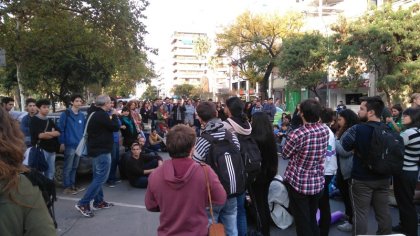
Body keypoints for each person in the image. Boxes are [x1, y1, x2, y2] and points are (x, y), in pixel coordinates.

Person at [145, 125, 227, 236]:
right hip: (198, 232)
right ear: (192, 148)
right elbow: (220, 198)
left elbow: (150, 205)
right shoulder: (205, 172)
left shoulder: (156, 174)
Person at [0, 106, 56, 236]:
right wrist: (50, 134)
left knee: (49, 173)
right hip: (37, 151)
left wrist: (49, 134)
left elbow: (58, 132)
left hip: (49, 151)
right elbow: (38, 135)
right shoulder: (21, 186)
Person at [341, 96, 392, 235]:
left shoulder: (357, 129)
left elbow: (344, 145)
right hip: (384, 178)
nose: (359, 111)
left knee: (360, 214)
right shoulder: (388, 129)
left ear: (370, 112)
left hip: (361, 179)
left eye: (362, 108)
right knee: (383, 213)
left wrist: (356, 149)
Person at [282, 99, 329, 236]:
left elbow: (285, 154)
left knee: (302, 222)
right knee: (312, 218)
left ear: (301, 113)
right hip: (317, 181)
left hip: (299, 183)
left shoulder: (297, 134)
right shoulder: (325, 130)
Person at [193, 101, 242, 236]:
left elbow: (195, 165)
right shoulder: (231, 135)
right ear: (216, 113)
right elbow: (238, 152)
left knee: (210, 226)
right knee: (231, 225)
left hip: (212, 193)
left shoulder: (203, 140)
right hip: (232, 189)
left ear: (200, 118)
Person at [75, 95, 120, 218]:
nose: (111, 105)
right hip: (102, 151)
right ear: (105, 103)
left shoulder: (94, 113)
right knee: (100, 178)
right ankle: (83, 203)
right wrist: (115, 115)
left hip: (96, 150)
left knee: (97, 177)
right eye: (110, 102)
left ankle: (98, 201)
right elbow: (115, 127)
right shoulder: (101, 115)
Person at [222, 97, 251, 236]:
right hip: (248, 166)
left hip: (233, 168)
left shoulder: (226, 125)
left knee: (232, 211)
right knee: (241, 211)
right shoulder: (247, 124)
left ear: (229, 109)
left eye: (225, 106)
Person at [392, 107, 420, 236]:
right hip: (413, 170)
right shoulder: (417, 131)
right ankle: (404, 225)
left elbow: (394, 146)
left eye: (406, 115)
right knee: (406, 201)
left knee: (405, 203)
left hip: (404, 171)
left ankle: (410, 231)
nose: (403, 117)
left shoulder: (408, 133)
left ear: (413, 118)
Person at [250, 112, 279, 236]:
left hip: (257, 175)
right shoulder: (271, 137)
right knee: (264, 202)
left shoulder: (253, 138)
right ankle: (265, 230)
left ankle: (262, 230)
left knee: (258, 203)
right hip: (269, 173)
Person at [335, 109, 360, 232]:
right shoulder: (345, 130)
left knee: (349, 195)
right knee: (344, 191)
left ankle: (351, 221)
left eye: (340, 119)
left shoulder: (352, 130)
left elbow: (345, 151)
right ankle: (349, 215)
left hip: (349, 168)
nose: (338, 121)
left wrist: (334, 141)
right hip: (343, 167)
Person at [58, 94, 86, 195]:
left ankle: (72, 185)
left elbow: (84, 130)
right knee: (68, 167)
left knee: (75, 167)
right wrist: (62, 142)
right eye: (77, 101)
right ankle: (67, 187)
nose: (79, 103)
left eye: (80, 101)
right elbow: (61, 129)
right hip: (69, 144)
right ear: (72, 102)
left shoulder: (82, 115)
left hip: (79, 145)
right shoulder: (66, 114)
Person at [30, 99, 60, 180]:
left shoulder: (49, 120)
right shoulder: (34, 120)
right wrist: (52, 134)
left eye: (48, 107)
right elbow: (40, 136)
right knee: (41, 173)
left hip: (52, 150)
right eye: (44, 107)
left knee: (51, 173)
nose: (47, 109)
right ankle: (43, 192)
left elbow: (58, 133)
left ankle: (49, 191)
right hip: (41, 150)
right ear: (38, 108)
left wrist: (47, 133)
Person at [318, 108, 337, 236]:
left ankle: (324, 230)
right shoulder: (325, 130)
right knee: (322, 201)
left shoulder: (326, 132)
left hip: (326, 171)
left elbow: (327, 155)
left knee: (323, 202)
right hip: (326, 170)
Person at [107, 97, 122, 187]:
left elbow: (119, 124)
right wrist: (112, 115)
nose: (112, 105)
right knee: (111, 160)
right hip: (110, 139)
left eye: (113, 103)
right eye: (110, 103)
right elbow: (109, 124)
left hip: (116, 139)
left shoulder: (114, 113)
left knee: (116, 159)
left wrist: (115, 115)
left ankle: (113, 176)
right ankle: (109, 179)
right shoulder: (106, 113)